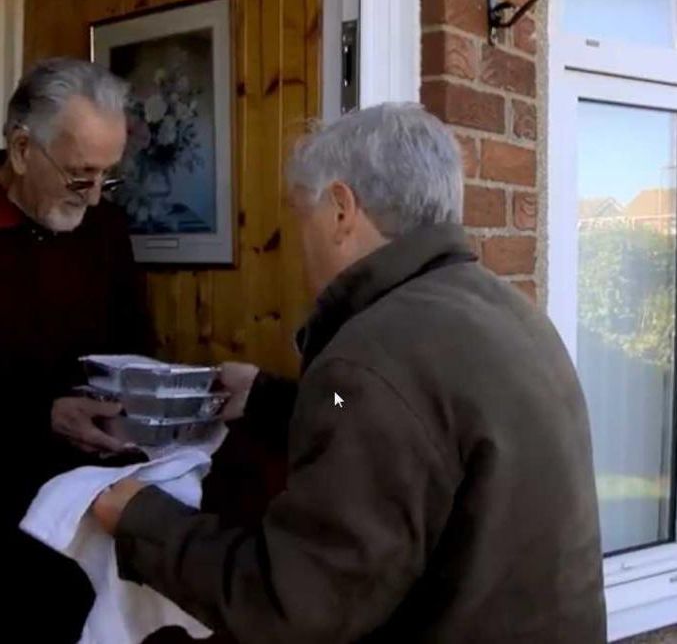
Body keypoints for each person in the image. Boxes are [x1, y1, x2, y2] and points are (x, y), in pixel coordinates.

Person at [94, 103, 606, 643]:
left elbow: (292, 606)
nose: (298, 243)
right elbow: (404, 430)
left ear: (341, 209)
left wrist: (140, 520)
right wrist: (265, 398)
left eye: (300, 215)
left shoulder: (374, 355)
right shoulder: (506, 309)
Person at [1, 57, 151, 642]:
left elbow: (136, 345)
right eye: (79, 176)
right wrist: (40, 415)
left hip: (87, 512)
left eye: (107, 177)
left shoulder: (108, 229)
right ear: (20, 149)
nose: (93, 198)